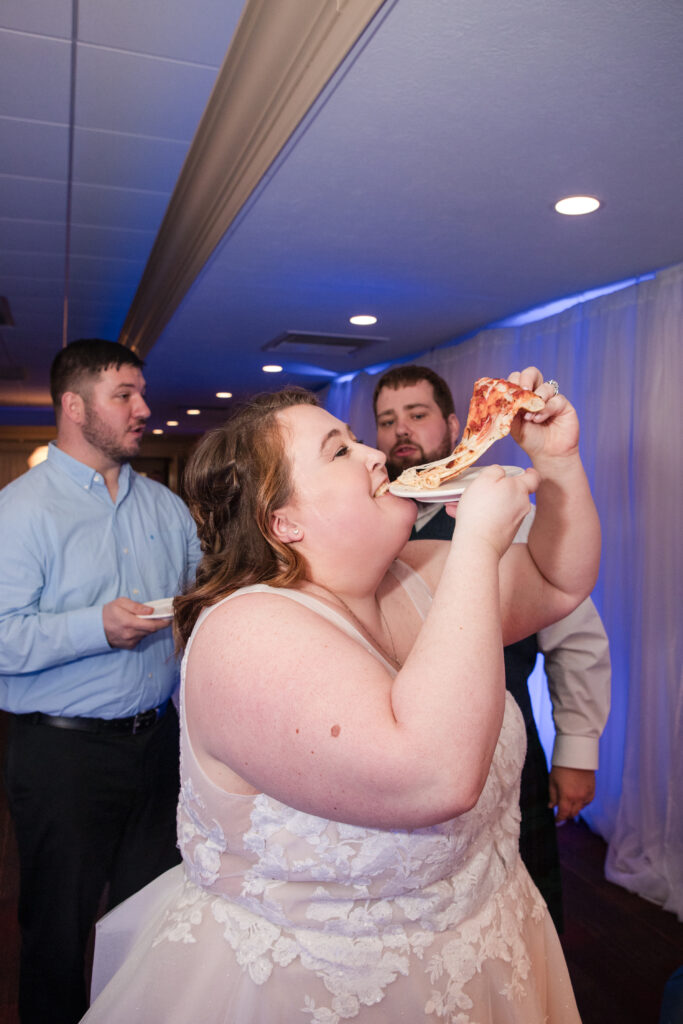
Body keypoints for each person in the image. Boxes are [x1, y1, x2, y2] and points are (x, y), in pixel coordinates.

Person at [82, 367, 599, 1023]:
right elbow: (434, 777)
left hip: (485, 951)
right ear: (283, 521)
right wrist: (474, 543)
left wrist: (557, 463)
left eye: (356, 440)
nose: (375, 454)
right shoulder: (247, 634)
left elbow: (556, 580)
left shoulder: (411, 573)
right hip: (322, 988)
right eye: (340, 451)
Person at [0, 339, 201, 1024]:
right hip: (62, 756)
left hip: (159, 747)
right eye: (124, 395)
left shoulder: (167, 508)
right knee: (57, 932)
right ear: (74, 406)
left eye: (141, 393)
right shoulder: (20, 511)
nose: (144, 409)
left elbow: (200, 601)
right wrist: (97, 628)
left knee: (153, 920)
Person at [373, 363, 610, 930]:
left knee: (519, 910)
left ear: (454, 424)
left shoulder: (506, 508)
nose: (401, 430)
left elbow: (574, 632)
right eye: (386, 420)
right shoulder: (373, 521)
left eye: (417, 414)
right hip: (401, 768)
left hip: (506, 746)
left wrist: (577, 749)